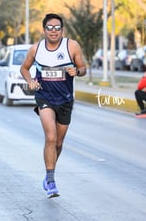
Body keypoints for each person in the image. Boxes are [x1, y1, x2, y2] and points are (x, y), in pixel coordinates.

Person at [20, 13, 86, 197]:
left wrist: (77, 71)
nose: (54, 31)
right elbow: (24, 68)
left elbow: (83, 68)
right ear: (44, 30)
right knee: (50, 137)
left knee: (58, 142)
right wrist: (30, 81)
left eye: (57, 27)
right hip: (44, 97)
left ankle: (50, 171)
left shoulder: (71, 46)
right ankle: (50, 180)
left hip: (65, 99)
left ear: (62, 30)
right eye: (50, 27)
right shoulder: (36, 49)